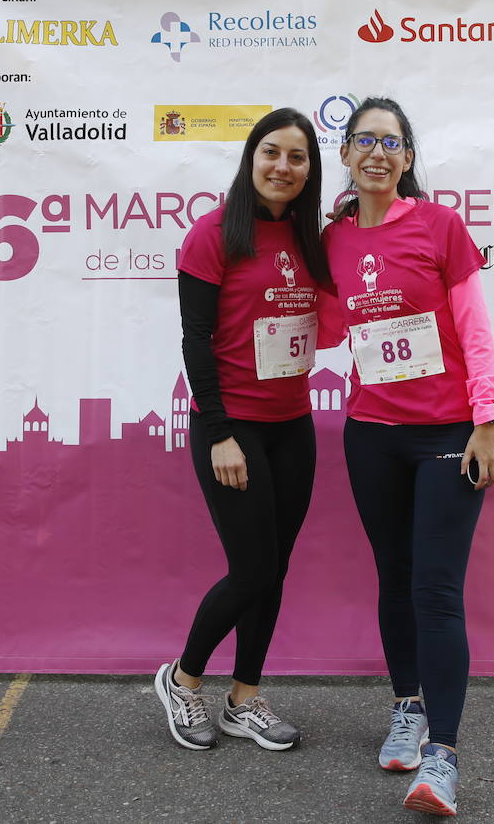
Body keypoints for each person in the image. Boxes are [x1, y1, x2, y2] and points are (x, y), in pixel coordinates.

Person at [319, 97, 494, 816]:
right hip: (371, 432)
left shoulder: (439, 226)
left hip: (448, 434)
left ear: (406, 157)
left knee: (435, 589)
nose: (377, 152)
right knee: (393, 578)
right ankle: (407, 707)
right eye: (364, 140)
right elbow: (331, 330)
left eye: (391, 143)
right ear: (347, 154)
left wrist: (488, 420)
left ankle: (443, 758)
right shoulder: (333, 241)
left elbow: (475, 327)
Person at [154, 108, 329, 752]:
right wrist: (221, 431)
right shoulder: (212, 236)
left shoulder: (312, 238)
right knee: (252, 569)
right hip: (231, 429)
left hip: (293, 424)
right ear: (251, 157)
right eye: (272, 153)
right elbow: (195, 341)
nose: (283, 167)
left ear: (310, 171)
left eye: (298, 157)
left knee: (274, 569)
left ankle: (245, 697)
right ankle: (183, 677)